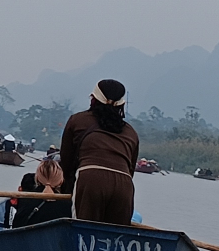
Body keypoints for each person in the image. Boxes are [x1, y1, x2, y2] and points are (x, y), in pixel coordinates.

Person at [58, 79, 140, 225]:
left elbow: (67, 161)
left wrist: (67, 190)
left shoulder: (77, 120)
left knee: (84, 232)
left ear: (93, 99)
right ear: (121, 104)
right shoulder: (131, 132)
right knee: (116, 237)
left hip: (90, 179)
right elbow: (131, 169)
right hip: (124, 185)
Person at [10, 151, 71, 228]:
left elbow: (15, 226)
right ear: (61, 181)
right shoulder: (69, 205)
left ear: (37, 178)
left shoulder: (23, 199)